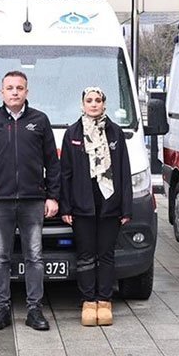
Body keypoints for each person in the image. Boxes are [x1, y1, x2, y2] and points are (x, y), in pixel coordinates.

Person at [0, 71, 60, 332]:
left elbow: (52, 163)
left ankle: (34, 310)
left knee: (35, 257)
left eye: (19, 88)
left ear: (26, 92)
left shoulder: (40, 121)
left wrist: (53, 196)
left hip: (33, 201)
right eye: (10, 88)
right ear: (1, 92)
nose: (14, 92)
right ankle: (1, 309)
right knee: (0, 258)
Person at [60, 87, 132, 327]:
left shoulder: (115, 132)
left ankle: (105, 299)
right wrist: (66, 208)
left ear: (104, 104)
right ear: (82, 104)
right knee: (85, 255)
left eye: (98, 100)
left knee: (106, 254)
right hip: (82, 205)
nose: (93, 104)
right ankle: (88, 301)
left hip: (110, 204)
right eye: (89, 100)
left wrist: (126, 208)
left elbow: (123, 171)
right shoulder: (72, 133)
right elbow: (65, 174)